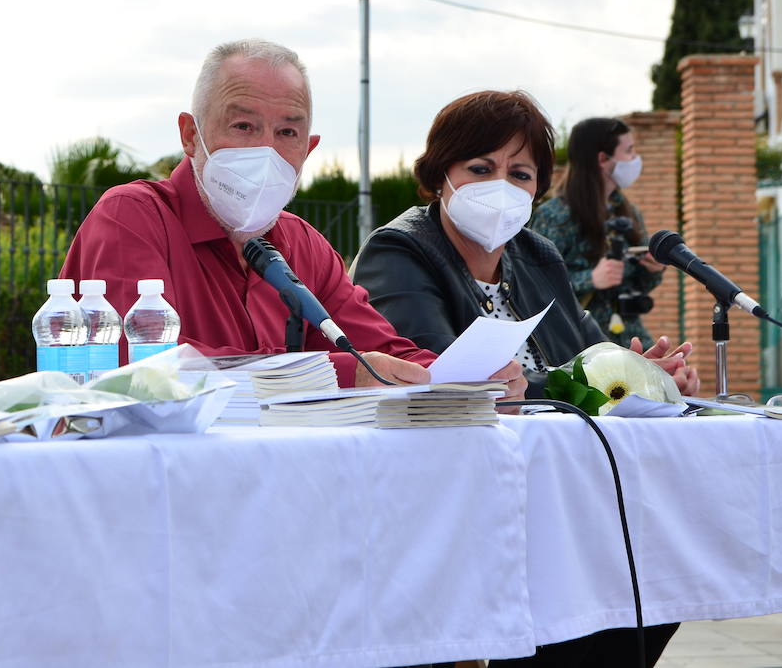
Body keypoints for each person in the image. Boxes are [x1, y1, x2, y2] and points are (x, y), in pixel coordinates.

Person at [351, 90, 692, 668]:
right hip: (460, 494)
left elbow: (590, 357)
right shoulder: (399, 251)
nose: (500, 187)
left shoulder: (537, 255)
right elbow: (441, 379)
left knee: (657, 567)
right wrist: (579, 384)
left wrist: (636, 374)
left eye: (521, 173)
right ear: (440, 175)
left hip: (557, 483)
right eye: (480, 168)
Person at [59, 38, 524, 396]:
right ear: (189, 133)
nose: (266, 149)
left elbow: (380, 352)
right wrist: (348, 372)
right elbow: (141, 368)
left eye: (287, 132)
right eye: (243, 126)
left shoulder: (304, 245)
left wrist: (468, 377)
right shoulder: (132, 217)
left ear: (309, 148)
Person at [530, 117, 663, 348]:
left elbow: (640, 286)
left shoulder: (629, 212)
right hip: (577, 345)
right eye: (629, 150)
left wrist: (653, 269)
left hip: (628, 337)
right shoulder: (555, 215)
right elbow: (534, 286)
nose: (635, 159)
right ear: (603, 159)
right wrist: (590, 279)